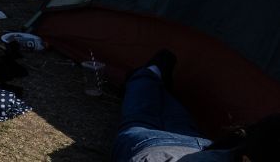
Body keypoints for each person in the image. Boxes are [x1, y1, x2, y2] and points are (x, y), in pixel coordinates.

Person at [114, 51, 280, 161]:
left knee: (156, 113)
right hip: (158, 148)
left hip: (197, 144)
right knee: (141, 115)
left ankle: (152, 74)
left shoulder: (251, 145)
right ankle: (148, 74)